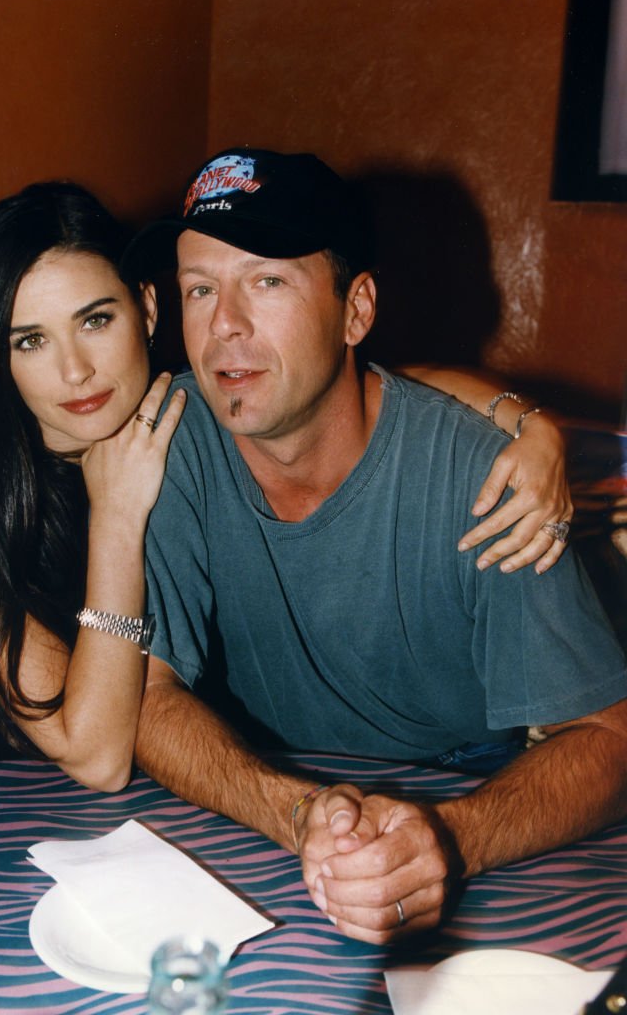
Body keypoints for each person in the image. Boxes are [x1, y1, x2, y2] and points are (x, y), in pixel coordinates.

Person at [123, 148, 627, 944]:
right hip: (265, 816)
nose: (224, 325)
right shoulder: (171, 440)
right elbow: (146, 695)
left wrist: (452, 839)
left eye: (267, 280)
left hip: (466, 806)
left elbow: (607, 739)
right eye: (199, 288)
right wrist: (296, 813)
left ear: (356, 311)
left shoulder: (483, 469)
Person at [0, 182, 186, 787]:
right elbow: (94, 756)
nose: (76, 371)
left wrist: (460, 415)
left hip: (158, 800)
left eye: (95, 319)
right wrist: (117, 517)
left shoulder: (188, 421)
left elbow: (327, 391)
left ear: (147, 309)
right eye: (31, 341)